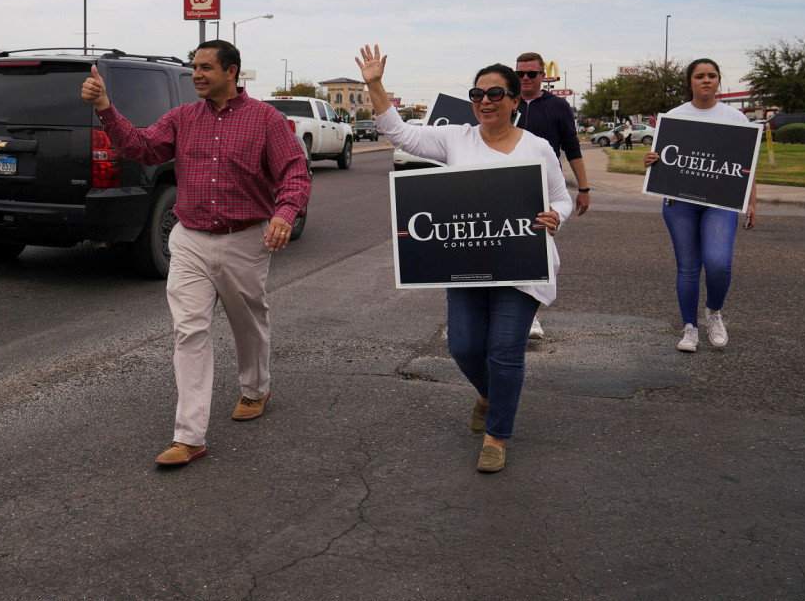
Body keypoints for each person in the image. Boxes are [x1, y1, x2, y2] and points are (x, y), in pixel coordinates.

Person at [81, 40, 311, 467]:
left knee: (249, 323)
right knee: (189, 332)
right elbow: (141, 147)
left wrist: (285, 213)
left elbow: (294, 171)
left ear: (232, 72)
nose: (197, 74)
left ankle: (256, 388)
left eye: (206, 67)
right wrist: (106, 108)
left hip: (245, 239)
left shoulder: (265, 120)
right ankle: (189, 436)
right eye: (194, 67)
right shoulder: (182, 118)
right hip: (189, 240)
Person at [359, 45, 572, 474]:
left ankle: (496, 435)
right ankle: (489, 395)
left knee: (506, 350)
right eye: (478, 94)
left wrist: (556, 217)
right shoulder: (457, 137)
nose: (485, 102)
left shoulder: (539, 148)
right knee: (464, 347)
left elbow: (561, 198)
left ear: (515, 100)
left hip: (520, 265)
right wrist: (375, 84)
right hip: (467, 263)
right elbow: (401, 134)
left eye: (496, 94)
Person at [643, 58, 757, 353]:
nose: (706, 80)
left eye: (712, 75)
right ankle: (689, 327)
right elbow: (662, 157)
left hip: (721, 202)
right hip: (680, 202)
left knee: (719, 263)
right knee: (688, 268)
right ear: (689, 82)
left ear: (719, 80)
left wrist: (751, 202)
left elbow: (747, 167)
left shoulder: (735, 118)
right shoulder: (674, 117)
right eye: (699, 76)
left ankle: (714, 312)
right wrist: (651, 162)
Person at [514, 52, 590, 341]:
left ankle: (531, 316)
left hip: (546, 188)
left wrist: (583, 188)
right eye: (520, 73)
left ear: (543, 75)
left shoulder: (557, 107)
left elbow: (572, 147)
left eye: (531, 74)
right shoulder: (506, 103)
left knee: (539, 251)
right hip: (507, 187)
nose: (525, 79)